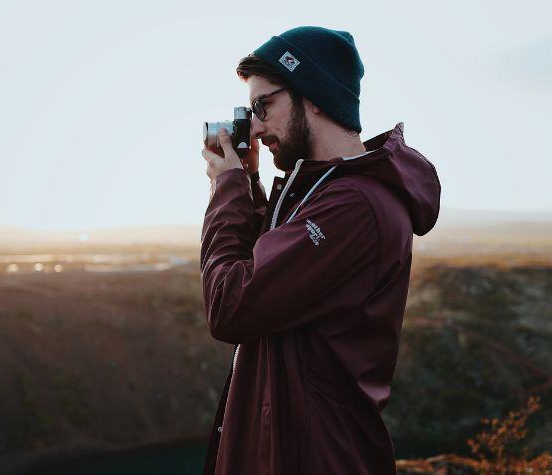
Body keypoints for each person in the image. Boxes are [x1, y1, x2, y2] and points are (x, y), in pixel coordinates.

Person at [199, 26, 441, 475]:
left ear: (312, 95)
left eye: (263, 106)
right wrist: (248, 184)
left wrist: (226, 189)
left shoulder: (352, 206)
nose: (255, 126)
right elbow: (269, 275)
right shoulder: (328, 195)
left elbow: (230, 304)